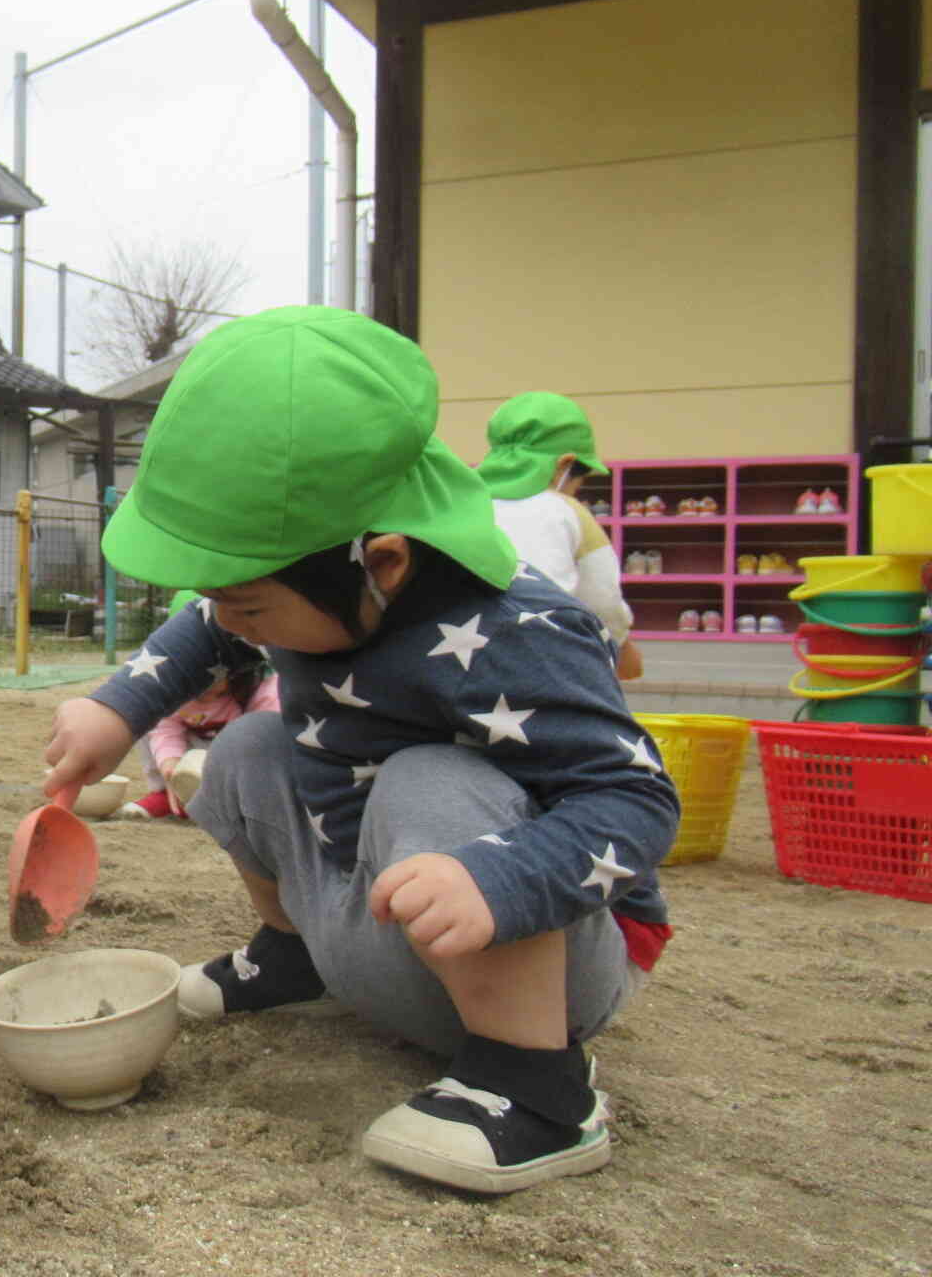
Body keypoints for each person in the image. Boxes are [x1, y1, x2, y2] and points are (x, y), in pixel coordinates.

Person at [43, 307, 678, 1195]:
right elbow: (206, 628)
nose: (230, 623)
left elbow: (638, 802)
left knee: (431, 776)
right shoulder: (309, 581)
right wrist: (115, 708)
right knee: (250, 746)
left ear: (380, 562)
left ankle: (537, 1091)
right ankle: (297, 954)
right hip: (385, 924)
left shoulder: (520, 631)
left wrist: (498, 878)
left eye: (249, 608)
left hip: (544, 950)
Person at [475, 391, 644, 680]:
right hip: (540, 661)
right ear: (564, 465)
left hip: (459, 655)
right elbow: (603, 600)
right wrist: (621, 645)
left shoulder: (462, 504)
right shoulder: (566, 510)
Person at [115, 589, 277, 819]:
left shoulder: (261, 685)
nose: (202, 687)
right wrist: (171, 768)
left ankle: (235, 806)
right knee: (146, 720)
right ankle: (166, 795)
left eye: (215, 678)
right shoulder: (169, 683)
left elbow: (264, 743)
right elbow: (167, 728)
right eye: (190, 676)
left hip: (238, 760)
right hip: (192, 752)